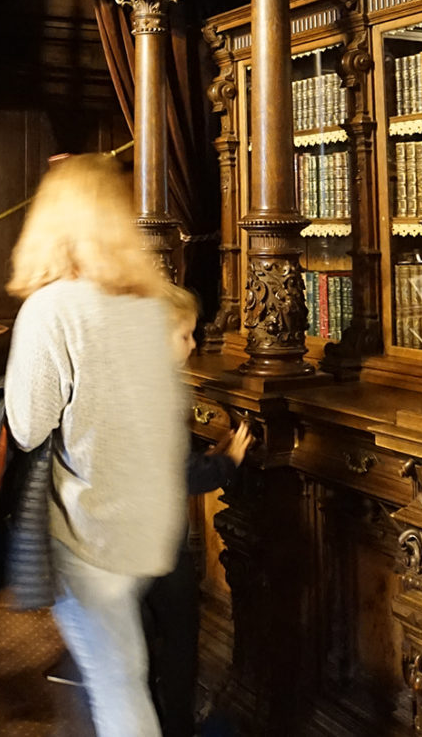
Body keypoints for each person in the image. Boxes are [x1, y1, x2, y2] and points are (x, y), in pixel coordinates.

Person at [4, 153, 188, 737]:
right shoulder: (152, 303)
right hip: (151, 524)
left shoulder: (53, 309)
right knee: (120, 668)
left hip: (92, 530)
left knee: (117, 685)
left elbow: (28, 426)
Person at [143, 284, 252, 737]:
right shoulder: (157, 389)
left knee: (148, 643)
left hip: (129, 539)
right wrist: (226, 464)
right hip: (157, 543)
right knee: (179, 640)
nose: (193, 344)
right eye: (185, 335)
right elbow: (176, 473)